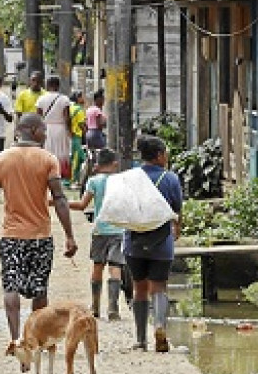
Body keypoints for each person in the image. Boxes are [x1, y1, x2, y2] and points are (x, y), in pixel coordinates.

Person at [0, 113, 78, 351]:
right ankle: (34, 338)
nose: (46, 135)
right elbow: (60, 199)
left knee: (10, 287)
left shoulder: (0, 161)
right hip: (41, 237)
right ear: (33, 131)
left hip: (11, 236)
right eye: (43, 131)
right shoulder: (47, 160)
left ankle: (15, 339)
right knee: (40, 290)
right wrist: (69, 235)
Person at [124, 135, 182, 352]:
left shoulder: (130, 177)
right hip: (161, 241)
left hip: (134, 240)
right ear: (159, 155)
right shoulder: (170, 179)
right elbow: (177, 209)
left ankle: (140, 340)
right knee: (158, 287)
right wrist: (177, 229)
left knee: (139, 288)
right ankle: (160, 327)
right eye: (165, 153)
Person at [68, 148, 127, 320]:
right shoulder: (122, 181)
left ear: (97, 165)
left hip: (100, 230)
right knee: (115, 267)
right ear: (115, 164)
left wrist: (58, 202)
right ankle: (113, 308)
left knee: (97, 266)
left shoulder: (94, 181)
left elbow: (82, 205)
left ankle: (95, 307)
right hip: (118, 230)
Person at [36, 75, 72, 180]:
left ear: (47, 85)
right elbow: (67, 118)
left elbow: (38, 117)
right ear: (58, 86)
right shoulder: (64, 99)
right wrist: (69, 131)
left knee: (47, 151)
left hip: (46, 129)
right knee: (61, 152)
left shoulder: (41, 99)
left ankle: (47, 173)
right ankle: (60, 174)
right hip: (60, 129)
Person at [69, 90, 87, 185]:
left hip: (70, 136)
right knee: (76, 159)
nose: (83, 99)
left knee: (78, 158)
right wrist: (86, 134)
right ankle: (72, 180)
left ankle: (77, 180)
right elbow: (81, 124)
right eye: (81, 97)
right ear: (78, 98)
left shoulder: (70, 108)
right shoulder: (79, 110)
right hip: (77, 136)